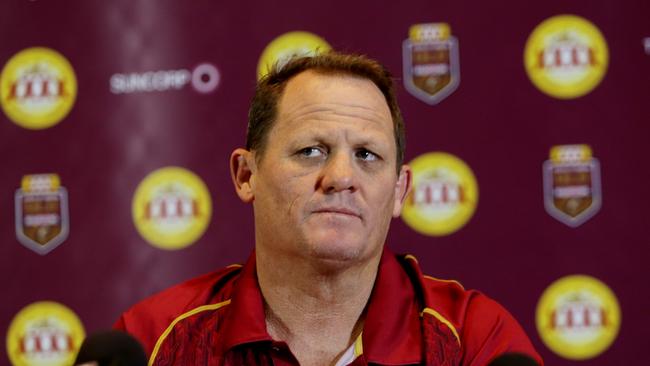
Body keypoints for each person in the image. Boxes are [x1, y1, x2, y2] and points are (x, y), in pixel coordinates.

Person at [115, 52, 543, 366]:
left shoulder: (474, 340)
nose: (341, 176)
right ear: (247, 175)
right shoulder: (154, 340)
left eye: (367, 155)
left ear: (399, 190)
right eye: (311, 150)